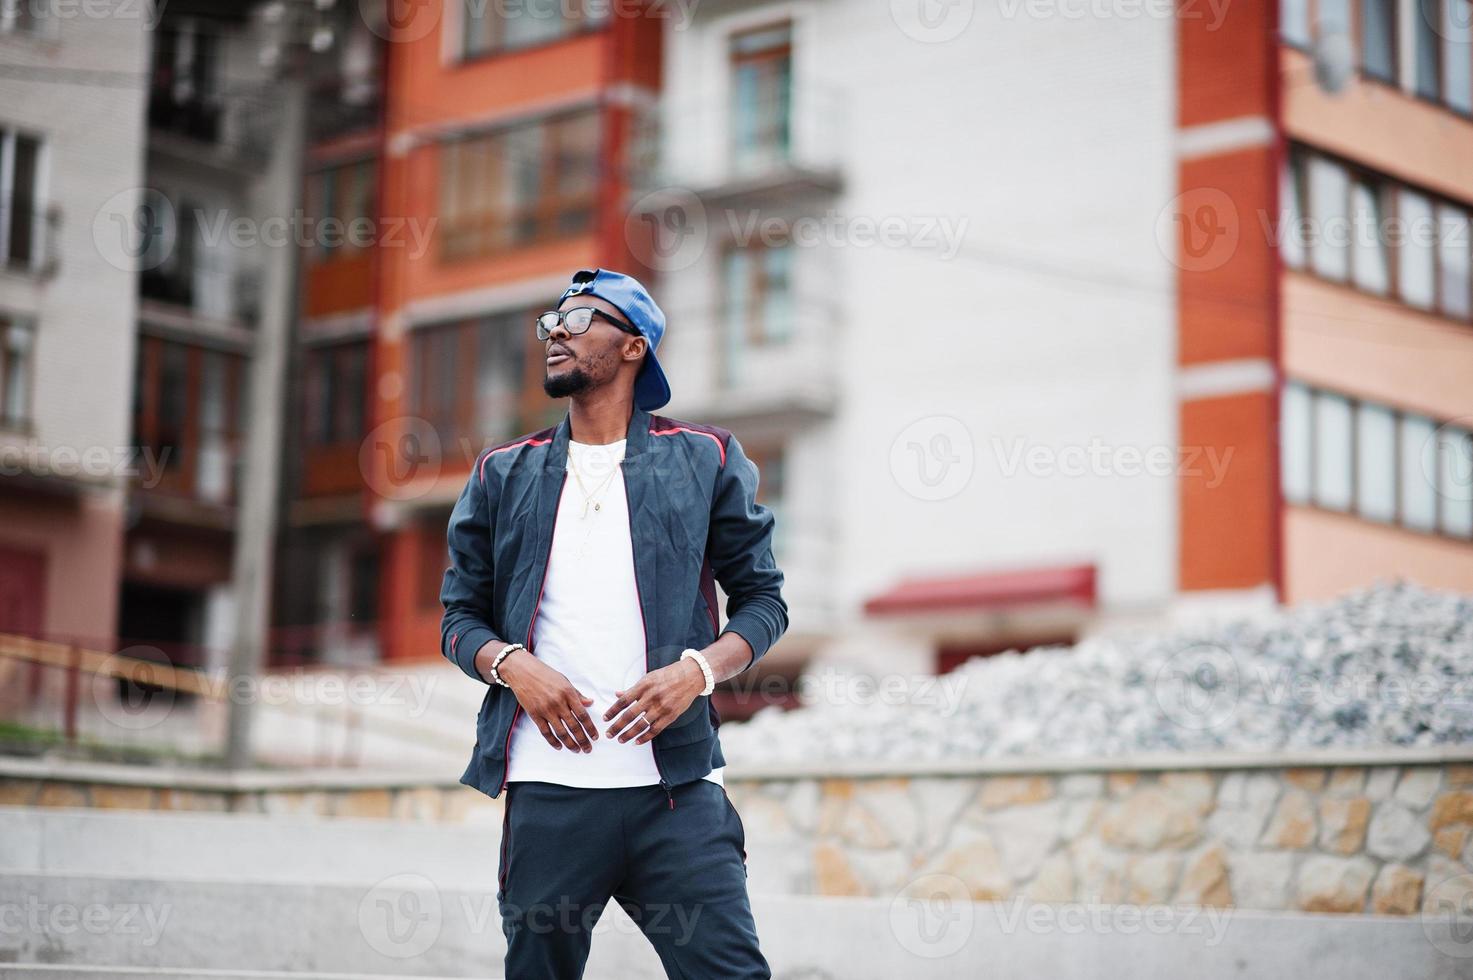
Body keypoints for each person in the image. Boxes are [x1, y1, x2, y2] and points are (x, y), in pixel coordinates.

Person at [439, 267, 788, 978]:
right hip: (549, 794)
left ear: (634, 347)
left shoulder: (705, 457)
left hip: (676, 791)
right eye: (549, 324)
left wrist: (696, 672)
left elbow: (763, 604)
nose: (554, 334)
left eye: (578, 320)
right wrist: (512, 664)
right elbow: (458, 619)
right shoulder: (504, 472)